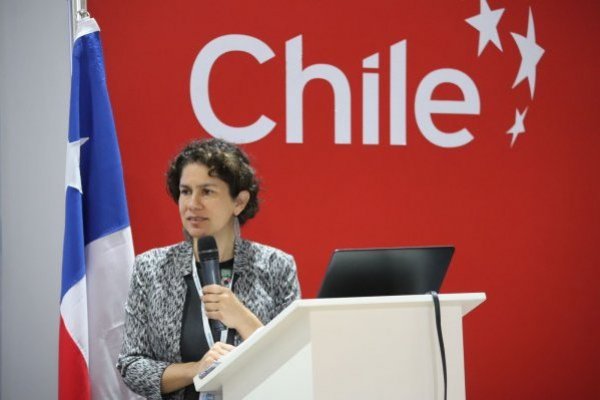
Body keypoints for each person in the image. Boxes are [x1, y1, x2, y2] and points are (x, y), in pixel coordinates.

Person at [117, 138, 301, 400]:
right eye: (185, 191)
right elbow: (131, 365)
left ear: (238, 202)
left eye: (207, 191)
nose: (193, 204)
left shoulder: (275, 266)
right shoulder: (151, 267)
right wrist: (197, 370)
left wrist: (244, 321)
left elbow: (293, 362)